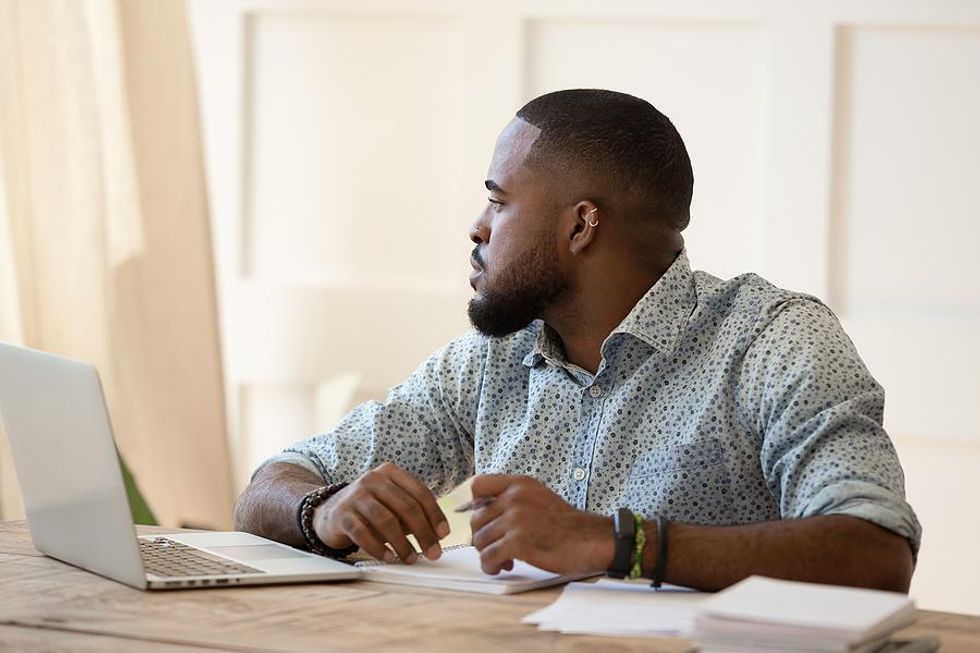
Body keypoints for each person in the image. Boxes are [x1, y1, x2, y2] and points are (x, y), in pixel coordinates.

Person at [234, 89, 920, 592]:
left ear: (581, 225)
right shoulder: (491, 358)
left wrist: (615, 542)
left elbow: (876, 551)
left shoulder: (775, 341)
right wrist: (321, 509)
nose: (478, 228)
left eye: (499, 202)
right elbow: (268, 485)